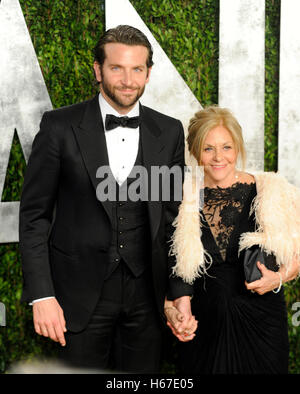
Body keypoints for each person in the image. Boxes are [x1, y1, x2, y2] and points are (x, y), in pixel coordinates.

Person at [19, 25, 194, 373]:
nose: (128, 80)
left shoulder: (170, 130)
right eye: (117, 68)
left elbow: (174, 221)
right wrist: (42, 295)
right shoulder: (58, 126)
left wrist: (179, 293)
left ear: (147, 72)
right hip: (76, 297)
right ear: (98, 70)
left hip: (147, 296)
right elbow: (34, 217)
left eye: (137, 69)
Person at [164, 106, 300, 373]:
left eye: (226, 147)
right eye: (208, 148)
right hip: (203, 326)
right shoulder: (179, 199)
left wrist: (279, 277)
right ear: (194, 151)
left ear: (237, 148)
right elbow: (166, 264)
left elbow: (297, 253)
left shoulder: (270, 191)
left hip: (263, 325)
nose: (218, 158)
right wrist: (173, 309)